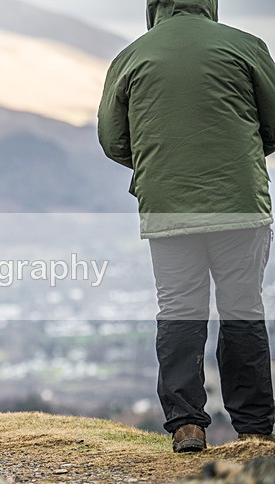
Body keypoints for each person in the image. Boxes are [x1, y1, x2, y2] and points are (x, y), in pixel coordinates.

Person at [98, 0, 275, 452]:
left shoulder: (133, 56)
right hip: (239, 203)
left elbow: (113, 139)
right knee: (242, 307)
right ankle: (255, 428)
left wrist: (159, 166)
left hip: (168, 206)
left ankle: (187, 426)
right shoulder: (246, 47)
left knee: (179, 308)